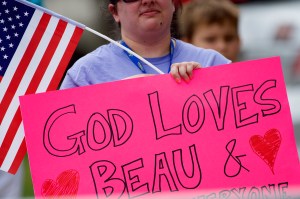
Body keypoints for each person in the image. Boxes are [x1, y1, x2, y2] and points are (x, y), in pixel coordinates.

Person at [60, 0, 230, 89]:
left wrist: (204, 85)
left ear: (173, 3)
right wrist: (113, 96)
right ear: (115, 12)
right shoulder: (83, 74)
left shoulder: (213, 64)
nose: (148, 0)